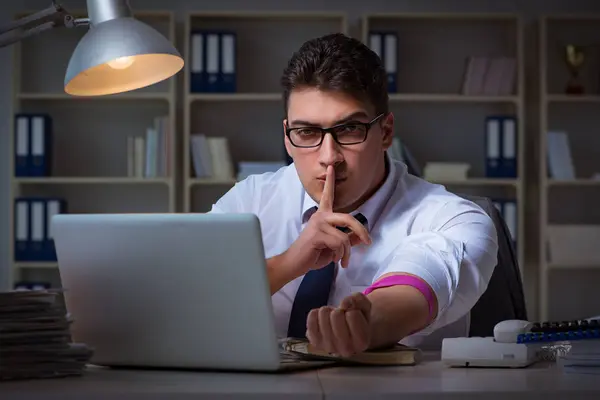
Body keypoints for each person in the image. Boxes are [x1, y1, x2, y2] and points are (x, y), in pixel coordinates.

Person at [210, 33, 498, 357]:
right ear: (288, 138)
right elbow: (193, 297)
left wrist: (365, 322)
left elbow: (420, 280)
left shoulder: (453, 218)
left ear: (385, 132)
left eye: (349, 130)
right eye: (307, 132)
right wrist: (290, 262)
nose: (329, 156)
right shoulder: (249, 202)